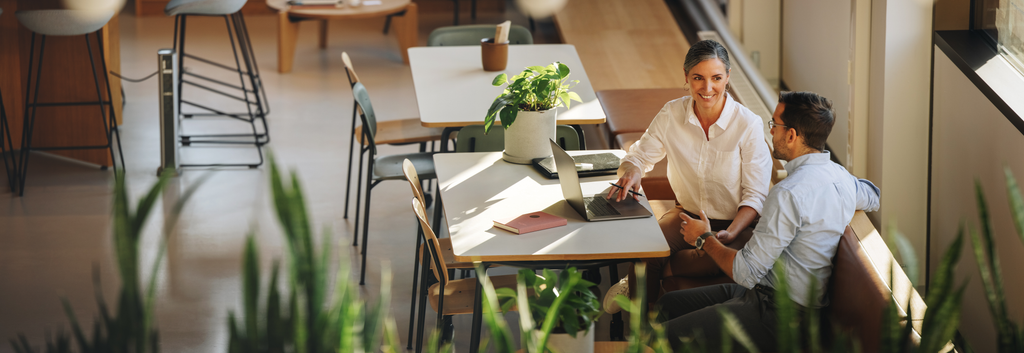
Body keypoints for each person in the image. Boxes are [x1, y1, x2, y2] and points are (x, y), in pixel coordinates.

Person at [655, 91, 881, 351]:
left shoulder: (788, 194)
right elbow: (873, 196)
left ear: (792, 135)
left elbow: (744, 272)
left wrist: (703, 237)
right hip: (768, 295)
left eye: (774, 125)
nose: (770, 131)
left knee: (663, 336)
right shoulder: (840, 177)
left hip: (780, 315)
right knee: (667, 305)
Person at [603, 39, 773, 313]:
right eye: (698, 78)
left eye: (717, 78)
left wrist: (727, 234)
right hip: (686, 216)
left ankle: (654, 274)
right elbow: (639, 156)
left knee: (717, 258)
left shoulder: (748, 125)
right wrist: (633, 171)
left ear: (728, 78)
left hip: (736, 225)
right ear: (686, 77)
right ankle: (641, 332)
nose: (708, 88)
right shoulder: (672, 113)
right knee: (645, 249)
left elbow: (755, 196)